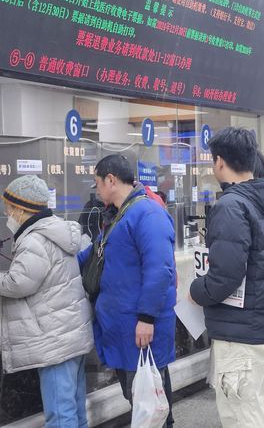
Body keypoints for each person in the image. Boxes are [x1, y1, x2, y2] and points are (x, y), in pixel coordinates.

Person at [189, 128, 264, 428]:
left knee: (242, 414)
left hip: (241, 330)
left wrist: (196, 290)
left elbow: (225, 276)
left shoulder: (231, 206)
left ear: (220, 162)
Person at [0, 175, 94, 427]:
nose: (7, 213)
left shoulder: (35, 239)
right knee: (75, 410)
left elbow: (18, 283)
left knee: (60, 414)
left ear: (23, 209)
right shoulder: (55, 231)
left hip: (55, 342)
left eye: (10, 207)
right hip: (70, 335)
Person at [78, 155, 177, 427]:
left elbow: (160, 270)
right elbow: (94, 254)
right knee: (139, 400)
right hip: (123, 328)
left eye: (97, 182)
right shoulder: (120, 214)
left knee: (152, 403)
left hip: (140, 329)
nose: (96, 189)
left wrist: (146, 318)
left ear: (111, 180)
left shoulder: (147, 213)